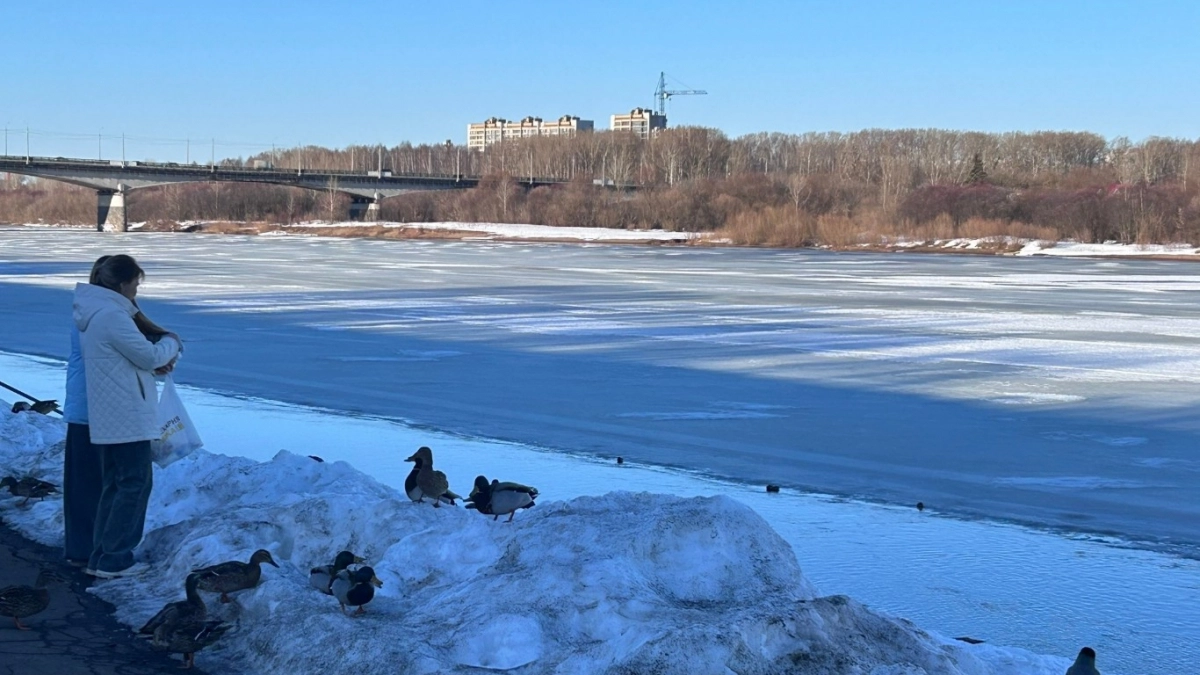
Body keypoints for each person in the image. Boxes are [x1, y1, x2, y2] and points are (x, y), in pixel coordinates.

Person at [62, 256, 174, 567]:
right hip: (102, 409)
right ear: (123, 284)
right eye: (136, 284)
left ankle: (88, 550)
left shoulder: (90, 311)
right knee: (115, 483)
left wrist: (150, 363)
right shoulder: (108, 315)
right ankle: (102, 555)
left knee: (96, 484)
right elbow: (132, 357)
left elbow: (121, 358)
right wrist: (163, 350)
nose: (137, 291)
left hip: (92, 407)